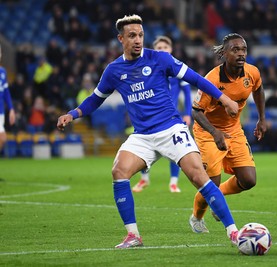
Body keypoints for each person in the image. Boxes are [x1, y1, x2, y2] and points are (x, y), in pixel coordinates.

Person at [57, 14, 240, 249]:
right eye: (132, 35)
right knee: (119, 171)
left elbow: (196, 79)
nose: (137, 40)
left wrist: (224, 98)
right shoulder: (113, 71)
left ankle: (233, 232)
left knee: (198, 176)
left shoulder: (160, 59)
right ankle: (133, 236)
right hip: (142, 135)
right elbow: (95, 99)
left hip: (170, 128)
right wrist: (72, 114)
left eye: (141, 35)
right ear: (120, 38)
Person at [189, 33, 267, 233]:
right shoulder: (211, 80)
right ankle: (196, 218)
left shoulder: (252, 73)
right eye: (235, 50)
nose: (241, 54)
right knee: (210, 186)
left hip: (233, 130)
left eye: (243, 49)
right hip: (208, 133)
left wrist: (262, 118)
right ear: (224, 54)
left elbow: (258, 90)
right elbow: (196, 112)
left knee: (249, 180)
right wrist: (215, 133)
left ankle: (218, 199)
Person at [132, 35, 192, 193]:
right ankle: (144, 179)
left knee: (176, 149)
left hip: (171, 116)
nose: (163, 50)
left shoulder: (177, 67)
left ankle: (173, 182)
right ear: (154, 50)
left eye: (165, 48)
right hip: (150, 116)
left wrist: (187, 114)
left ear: (171, 50)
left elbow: (186, 93)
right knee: (143, 148)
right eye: (159, 48)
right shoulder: (148, 70)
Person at [0, 45, 16, 155]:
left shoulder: (2, 72)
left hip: (0, 112)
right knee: (3, 137)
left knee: (2, 139)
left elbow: (6, 92)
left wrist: (11, 109)